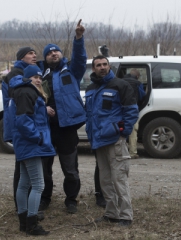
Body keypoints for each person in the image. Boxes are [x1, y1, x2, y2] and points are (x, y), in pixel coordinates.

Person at [36, 19, 87, 214]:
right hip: (46, 130)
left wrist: (79, 38)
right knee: (44, 170)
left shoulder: (72, 70)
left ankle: (71, 200)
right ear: (45, 58)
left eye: (55, 51)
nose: (53, 53)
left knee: (71, 169)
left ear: (61, 54)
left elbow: (81, 57)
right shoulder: (40, 74)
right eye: (49, 52)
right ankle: (44, 199)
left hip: (67, 128)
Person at [85, 55, 139, 226]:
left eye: (104, 64)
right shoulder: (91, 88)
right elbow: (89, 114)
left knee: (119, 178)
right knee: (105, 180)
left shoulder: (121, 85)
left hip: (114, 139)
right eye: (98, 65)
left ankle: (125, 215)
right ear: (93, 69)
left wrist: (123, 132)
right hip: (98, 140)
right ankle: (111, 213)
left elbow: (131, 112)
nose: (102, 67)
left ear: (109, 66)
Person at [9, 65, 56, 235]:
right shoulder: (27, 92)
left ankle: (24, 223)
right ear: (27, 78)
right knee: (38, 185)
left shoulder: (23, 91)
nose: (38, 79)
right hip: (31, 144)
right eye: (34, 77)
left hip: (25, 144)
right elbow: (23, 121)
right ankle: (32, 224)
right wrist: (39, 138)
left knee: (24, 183)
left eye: (39, 77)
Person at [2, 46, 36, 211]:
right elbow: (19, 97)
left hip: (20, 126)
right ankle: (21, 207)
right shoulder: (16, 74)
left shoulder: (24, 72)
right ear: (22, 57)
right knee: (22, 170)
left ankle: (25, 206)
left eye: (35, 53)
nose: (34, 55)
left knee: (25, 169)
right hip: (19, 127)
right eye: (30, 53)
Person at [123, 68, 146, 159]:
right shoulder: (137, 83)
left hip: (121, 109)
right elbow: (142, 95)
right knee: (133, 131)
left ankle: (121, 152)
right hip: (132, 109)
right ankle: (132, 153)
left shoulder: (120, 81)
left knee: (120, 131)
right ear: (137, 76)